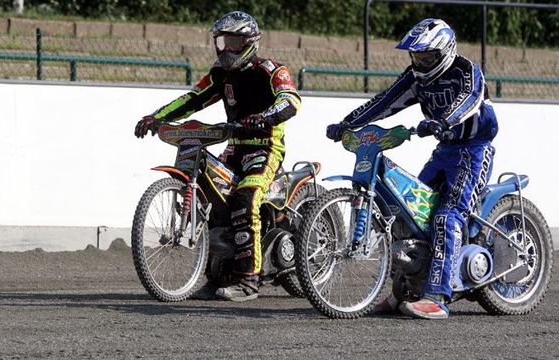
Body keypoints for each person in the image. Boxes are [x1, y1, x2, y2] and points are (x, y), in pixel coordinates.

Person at [326, 18, 497, 319]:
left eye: (426, 56)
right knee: (409, 213)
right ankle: (402, 292)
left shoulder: (466, 71)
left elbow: (469, 100)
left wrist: (443, 121)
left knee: (447, 217)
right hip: (444, 151)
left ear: (445, 52)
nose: (420, 61)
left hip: (472, 151)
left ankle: (437, 296)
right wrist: (348, 123)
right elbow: (385, 101)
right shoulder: (416, 78)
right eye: (416, 56)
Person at [134, 11, 301, 302]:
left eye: (233, 42)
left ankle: (249, 280)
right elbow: (192, 99)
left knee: (246, 197)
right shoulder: (220, 74)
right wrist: (155, 117)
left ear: (250, 42)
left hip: (265, 148)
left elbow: (291, 101)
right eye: (221, 42)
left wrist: (263, 118)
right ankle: (217, 277)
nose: (226, 49)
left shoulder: (272, 70)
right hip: (234, 147)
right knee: (212, 201)